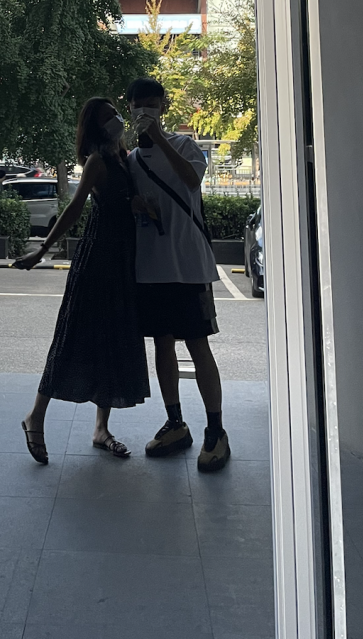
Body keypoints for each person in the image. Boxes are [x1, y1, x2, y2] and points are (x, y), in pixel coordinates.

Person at [15, 97, 150, 464]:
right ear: (95, 127)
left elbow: (125, 202)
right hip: (96, 261)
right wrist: (42, 250)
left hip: (122, 263)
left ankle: (101, 429)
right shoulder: (97, 161)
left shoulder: (124, 158)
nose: (116, 119)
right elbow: (75, 209)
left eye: (115, 113)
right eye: (108, 117)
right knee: (71, 339)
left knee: (113, 342)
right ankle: (35, 416)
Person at [126, 77, 230, 473]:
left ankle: (216, 430)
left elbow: (191, 179)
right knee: (162, 346)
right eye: (139, 105)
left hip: (189, 267)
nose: (145, 112)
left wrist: (159, 138)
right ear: (130, 108)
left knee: (199, 346)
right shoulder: (130, 160)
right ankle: (175, 422)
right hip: (150, 270)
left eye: (152, 105)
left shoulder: (185, 146)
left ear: (164, 107)